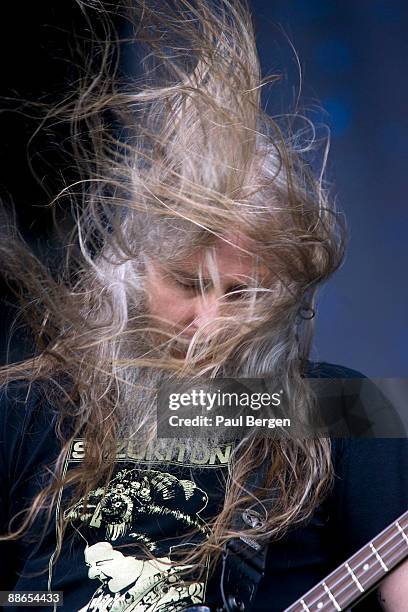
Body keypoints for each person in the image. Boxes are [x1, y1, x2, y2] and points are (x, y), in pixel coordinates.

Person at [0, 1, 407, 611]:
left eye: (242, 294)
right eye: (188, 284)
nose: (210, 324)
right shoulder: (37, 401)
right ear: (133, 270)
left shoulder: (339, 409)